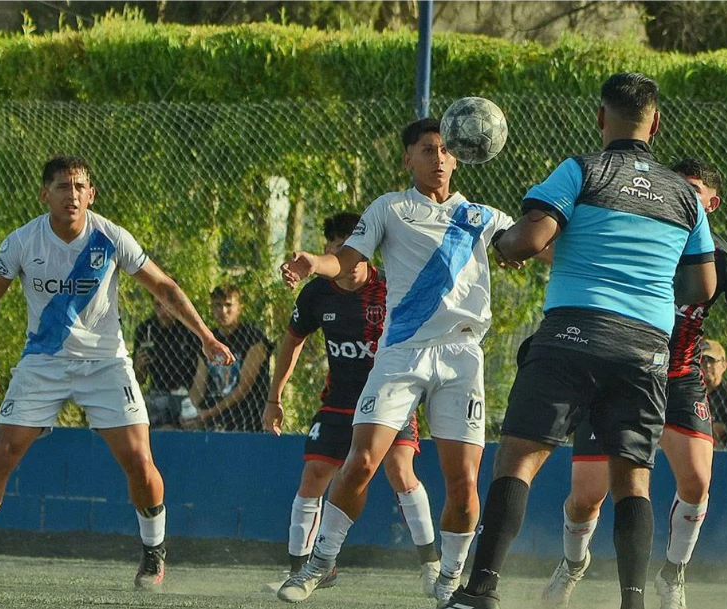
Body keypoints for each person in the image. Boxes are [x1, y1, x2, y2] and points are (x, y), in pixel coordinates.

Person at [444, 73, 718, 609]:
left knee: (519, 460)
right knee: (632, 481)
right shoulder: (684, 197)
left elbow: (528, 240)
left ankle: (481, 590)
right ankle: (634, 601)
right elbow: (703, 285)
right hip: (646, 347)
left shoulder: (581, 171)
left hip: (573, 333)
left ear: (600, 118)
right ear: (656, 123)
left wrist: (502, 241)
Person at [0, 156, 234, 589]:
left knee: (138, 459)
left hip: (106, 362)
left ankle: (153, 557)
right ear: (45, 194)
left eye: (79, 187)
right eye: (62, 187)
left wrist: (206, 336)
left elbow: (165, 286)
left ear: (91, 194)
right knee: (2, 453)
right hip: (43, 363)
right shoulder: (21, 242)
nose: (71, 195)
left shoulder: (111, 237)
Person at [276, 117, 519, 605]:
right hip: (401, 352)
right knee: (362, 461)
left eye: (447, 150)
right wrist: (313, 265)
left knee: (464, 482)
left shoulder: (482, 216)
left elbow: (535, 248)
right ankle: (319, 565)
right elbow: (348, 260)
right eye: (428, 149)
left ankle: (450, 581)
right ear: (408, 158)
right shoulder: (389, 208)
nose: (439, 158)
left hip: (461, 357)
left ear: (460, 157)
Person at [538, 159, 727, 609]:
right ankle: (573, 563)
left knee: (696, 482)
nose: (686, 197)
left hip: (677, 380)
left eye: (696, 192)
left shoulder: (723, 262)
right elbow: (555, 249)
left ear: (712, 204)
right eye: (680, 188)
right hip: (621, 373)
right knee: (586, 498)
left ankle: (672, 574)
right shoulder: (637, 239)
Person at [262, 212, 440, 596]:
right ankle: (303, 571)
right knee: (313, 474)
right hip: (340, 402)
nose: (341, 259)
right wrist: (274, 397)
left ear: (365, 252)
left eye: (349, 250)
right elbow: (291, 341)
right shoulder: (317, 293)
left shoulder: (391, 289)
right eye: (334, 250)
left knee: (400, 471)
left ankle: (432, 564)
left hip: (390, 400)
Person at [185, 285, 273, 432]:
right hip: (212, 417)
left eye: (228, 305)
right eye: (218, 305)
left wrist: (208, 413)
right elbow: (199, 384)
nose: (223, 311)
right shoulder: (208, 340)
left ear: (239, 307)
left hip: (247, 417)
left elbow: (244, 387)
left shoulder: (254, 338)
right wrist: (189, 410)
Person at [133, 296, 202, 428]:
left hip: (188, 394)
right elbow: (139, 379)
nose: (163, 312)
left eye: (168, 306)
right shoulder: (145, 330)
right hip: (157, 394)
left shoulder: (191, 330)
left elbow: (202, 374)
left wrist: (192, 402)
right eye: (158, 306)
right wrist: (139, 365)